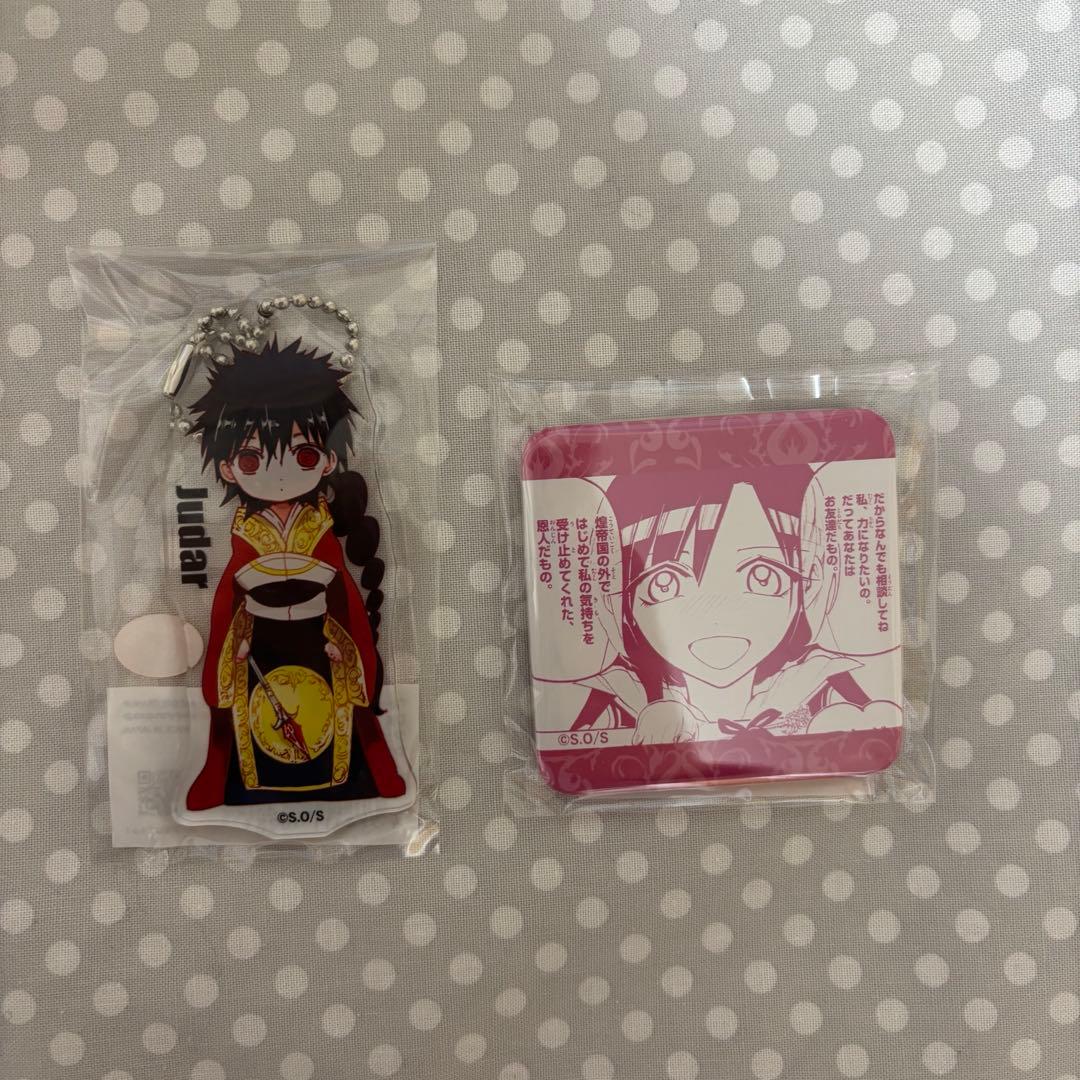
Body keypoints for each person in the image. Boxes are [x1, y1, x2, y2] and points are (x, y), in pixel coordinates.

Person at [184, 336, 406, 809]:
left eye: (303, 456)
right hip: (257, 641)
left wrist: (351, 650)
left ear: (328, 461)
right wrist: (231, 650)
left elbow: (344, 596)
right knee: (251, 718)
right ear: (228, 468)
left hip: (320, 638)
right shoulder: (245, 531)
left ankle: (366, 771)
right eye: (252, 460)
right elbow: (227, 601)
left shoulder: (319, 526)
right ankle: (223, 775)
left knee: (332, 715)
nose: (279, 475)